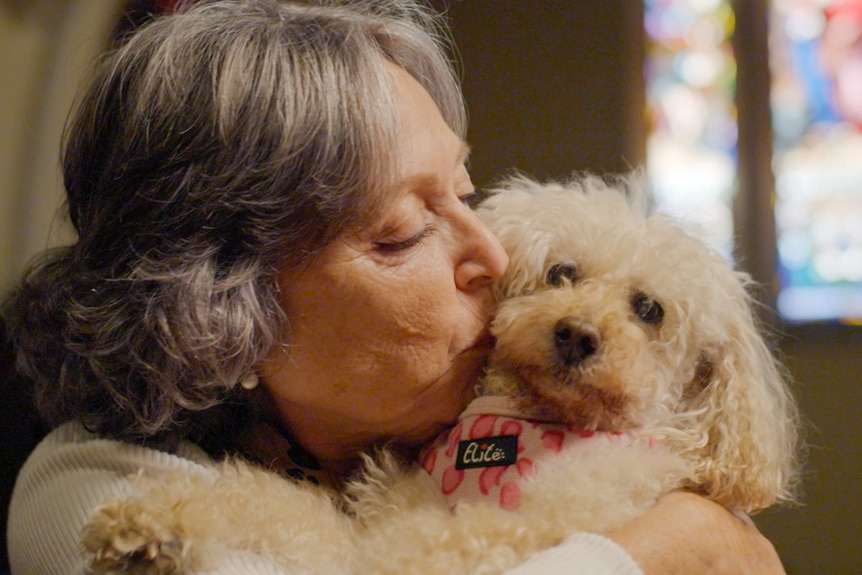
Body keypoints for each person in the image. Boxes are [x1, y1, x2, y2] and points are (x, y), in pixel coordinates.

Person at [3, 1, 787, 573]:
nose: (489, 252)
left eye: (465, 190)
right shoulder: (84, 487)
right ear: (227, 310)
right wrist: (656, 551)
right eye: (405, 230)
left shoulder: (502, 445)